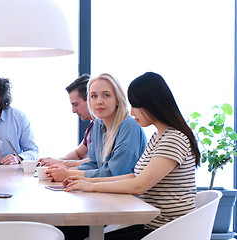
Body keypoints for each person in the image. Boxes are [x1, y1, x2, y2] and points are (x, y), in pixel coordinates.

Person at [63, 72, 200, 240]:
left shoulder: (174, 139)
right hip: (153, 225)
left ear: (153, 104)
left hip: (170, 230)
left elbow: (138, 186)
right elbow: (135, 175)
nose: (132, 111)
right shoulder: (158, 136)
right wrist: (88, 182)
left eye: (136, 105)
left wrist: (91, 186)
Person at [45, 73, 147, 182]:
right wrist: (65, 170)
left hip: (126, 197)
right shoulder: (98, 125)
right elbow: (94, 164)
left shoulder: (129, 126)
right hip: (103, 192)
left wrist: (69, 173)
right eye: (94, 96)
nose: (99, 101)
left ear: (118, 99)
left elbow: (114, 174)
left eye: (106, 95)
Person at [39, 73, 93, 167]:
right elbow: (78, 154)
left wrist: (62, 163)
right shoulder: (93, 127)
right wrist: (55, 161)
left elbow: (97, 162)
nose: (73, 111)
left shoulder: (109, 127)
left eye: (75, 104)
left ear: (89, 100)